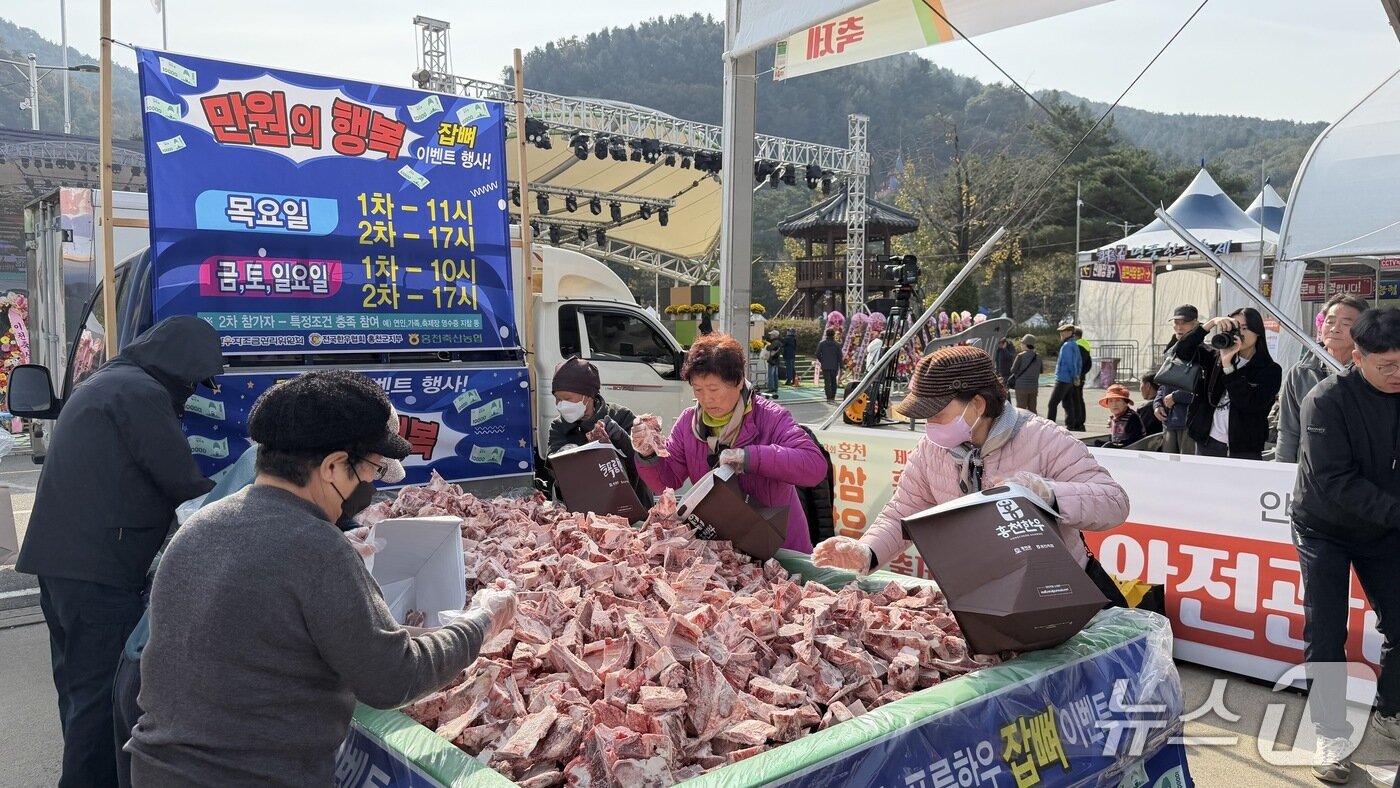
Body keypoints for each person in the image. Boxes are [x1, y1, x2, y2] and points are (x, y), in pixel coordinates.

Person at [126, 370, 516, 786]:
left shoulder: (201, 526)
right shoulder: (316, 547)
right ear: (332, 466)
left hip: (158, 769)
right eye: (370, 471)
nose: (371, 485)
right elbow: (393, 678)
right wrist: (482, 622)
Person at [14, 315, 223, 788]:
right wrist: (249, 501)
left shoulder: (108, 381)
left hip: (61, 565)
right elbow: (182, 482)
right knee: (103, 697)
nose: (192, 391)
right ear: (179, 368)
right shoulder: (141, 395)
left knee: (77, 689)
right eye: (193, 381)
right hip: (100, 571)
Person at [809, 346, 1128, 605]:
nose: (929, 426)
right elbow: (902, 512)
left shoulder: (1042, 439)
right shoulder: (932, 448)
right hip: (985, 598)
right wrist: (868, 550)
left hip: (1060, 596)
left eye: (937, 415)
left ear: (976, 403)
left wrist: (1050, 494)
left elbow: (1114, 502)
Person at [1291, 307, 1400, 783]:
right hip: (1323, 527)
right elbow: (1335, 481)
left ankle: (1390, 713)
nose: (1399, 374)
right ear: (1357, 357)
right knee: (1328, 628)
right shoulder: (1326, 400)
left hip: (1385, 528)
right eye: (1388, 366)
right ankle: (1329, 732)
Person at [629, 333, 828, 553]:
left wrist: (749, 458)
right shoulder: (689, 423)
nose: (706, 399)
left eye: (714, 389)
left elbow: (814, 466)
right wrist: (648, 454)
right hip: (721, 547)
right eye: (698, 389)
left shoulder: (770, 417)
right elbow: (666, 481)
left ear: (738, 381)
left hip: (778, 547)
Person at [547, 356, 653, 510]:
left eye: (567, 398)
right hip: (583, 510)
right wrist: (566, 453)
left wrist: (622, 438)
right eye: (557, 399)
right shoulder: (558, 426)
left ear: (588, 396)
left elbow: (644, 463)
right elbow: (555, 470)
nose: (562, 405)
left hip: (632, 507)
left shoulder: (621, 416)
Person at [1276, 294, 1367, 463]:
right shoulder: (1300, 373)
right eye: (1330, 321)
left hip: (1356, 475)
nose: (1335, 328)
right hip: (1309, 473)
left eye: (1346, 324)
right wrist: (1283, 471)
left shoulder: (1371, 373)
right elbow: (1288, 431)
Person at [1187, 307, 1283, 461]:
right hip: (1207, 441)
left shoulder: (1269, 370)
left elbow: (1250, 404)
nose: (1239, 333)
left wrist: (1229, 368)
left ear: (1257, 331)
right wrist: (1211, 324)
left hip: (1244, 448)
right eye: (1235, 327)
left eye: (1244, 328)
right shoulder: (1214, 358)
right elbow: (1182, 351)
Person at [1153, 305, 1208, 455]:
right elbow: (1164, 383)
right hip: (1169, 421)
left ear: (1195, 324)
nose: (1179, 327)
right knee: (1169, 467)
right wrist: (1157, 404)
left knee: (1188, 467)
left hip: (1190, 421)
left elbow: (1207, 390)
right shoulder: (1170, 349)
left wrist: (1178, 396)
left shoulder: (1203, 352)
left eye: (1183, 323)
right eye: (1176, 323)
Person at [1045, 323, 1082, 430]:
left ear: (1070, 332)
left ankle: (1049, 426)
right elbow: (1078, 362)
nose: (1061, 334)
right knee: (1067, 402)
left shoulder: (1067, 346)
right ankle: (1070, 425)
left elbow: (1070, 362)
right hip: (1070, 379)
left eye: (1063, 331)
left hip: (1063, 378)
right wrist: (1076, 376)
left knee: (1052, 403)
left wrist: (1074, 375)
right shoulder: (1074, 344)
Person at [1098, 384, 1145, 449]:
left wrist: (1116, 445)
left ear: (1126, 403)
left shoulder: (1132, 418)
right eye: (1111, 401)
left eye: (1118, 400)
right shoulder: (1114, 418)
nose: (1114, 404)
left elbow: (1135, 440)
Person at [1007, 334, 1041, 415]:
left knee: (1021, 410)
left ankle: (1022, 427)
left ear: (1026, 344)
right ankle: (1034, 427)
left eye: (1022, 343)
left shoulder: (1020, 356)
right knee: (1032, 410)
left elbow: (1013, 370)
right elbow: (1040, 370)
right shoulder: (1038, 356)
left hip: (1021, 387)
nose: (1021, 345)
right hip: (1034, 387)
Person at [1069, 327, 1092, 431]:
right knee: (1079, 398)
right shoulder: (1085, 345)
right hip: (1081, 377)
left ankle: (1076, 421)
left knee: (1075, 399)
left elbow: (1076, 363)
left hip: (1075, 377)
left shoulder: (1077, 346)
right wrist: (1083, 374)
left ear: (1074, 335)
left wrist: (1076, 374)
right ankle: (1080, 420)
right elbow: (1089, 364)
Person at [815, 329, 843, 402]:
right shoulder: (837, 344)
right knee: (834, 381)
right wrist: (841, 365)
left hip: (825, 365)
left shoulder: (822, 343)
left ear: (826, 334)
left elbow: (817, 354)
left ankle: (828, 397)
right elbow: (840, 356)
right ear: (833, 335)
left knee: (827, 382)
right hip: (834, 365)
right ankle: (833, 396)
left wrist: (822, 360)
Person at [1137, 374, 1163, 439]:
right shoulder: (1166, 402)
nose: (1139, 389)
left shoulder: (1146, 408)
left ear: (1148, 385)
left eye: (1140, 384)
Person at [764, 329, 783, 397]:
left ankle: (771, 388)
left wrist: (767, 345)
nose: (770, 336)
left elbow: (770, 348)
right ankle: (775, 387)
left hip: (772, 360)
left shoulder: (775, 342)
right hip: (777, 360)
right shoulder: (779, 342)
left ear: (774, 335)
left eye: (771, 334)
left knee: (771, 374)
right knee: (775, 374)